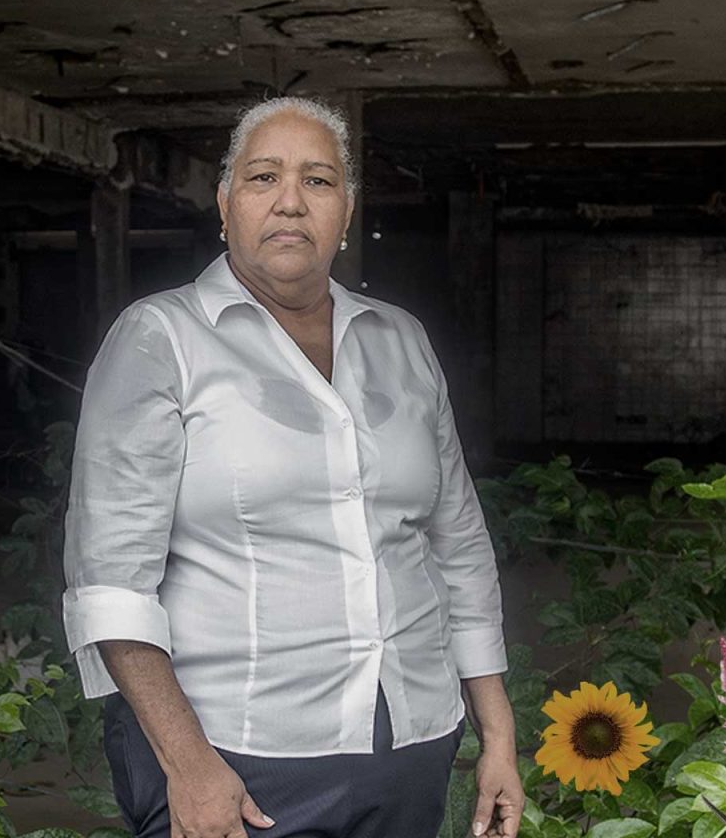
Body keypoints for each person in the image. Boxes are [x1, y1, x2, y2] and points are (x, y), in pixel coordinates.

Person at [62, 96, 522, 838]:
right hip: (235, 754)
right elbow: (111, 583)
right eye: (263, 177)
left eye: (317, 180)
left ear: (346, 211)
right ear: (225, 205)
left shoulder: (400, 340)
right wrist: (189, 765)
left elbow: (458, 545)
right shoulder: (161, 338)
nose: (290, 201)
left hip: (412, 742)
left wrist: (496, 732)